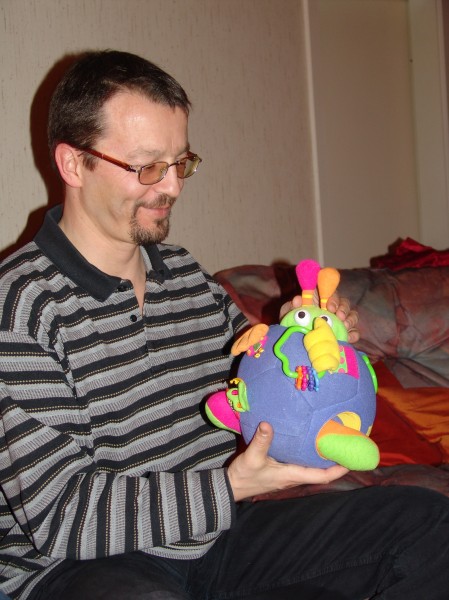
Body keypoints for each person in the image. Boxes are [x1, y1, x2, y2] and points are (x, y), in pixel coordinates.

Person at [0, 50, 449, 600]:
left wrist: (305, 344)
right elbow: (62, 515)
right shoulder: (19, 307)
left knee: (426, 527)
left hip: (219, 539)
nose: (172, 188)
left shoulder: (185, 276)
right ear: (73, 164)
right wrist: (228, 485)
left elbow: (258, 391)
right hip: (79, 568)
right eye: (147, 167)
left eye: (180, 162)